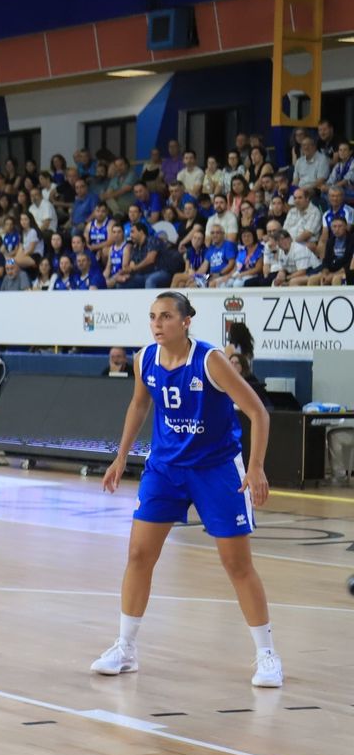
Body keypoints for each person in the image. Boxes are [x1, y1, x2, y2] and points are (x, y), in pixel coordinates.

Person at [93, 292, 281, 688]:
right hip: (166, 467)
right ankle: (125, 648)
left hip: (215, 469)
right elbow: (139, 406)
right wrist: (120, 455)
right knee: (139, 554)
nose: (157, 324)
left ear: (186, 321)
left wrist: (257, 466)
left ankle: (266, 655)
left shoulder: (210, 361)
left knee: (236, 564)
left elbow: (257, 412)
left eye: (165, 317)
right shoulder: (145, 358)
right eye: (152, 317)